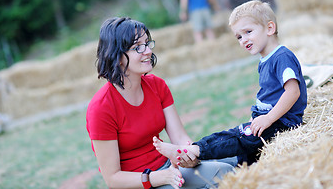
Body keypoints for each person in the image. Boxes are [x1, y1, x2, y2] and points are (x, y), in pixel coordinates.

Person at [86, 17, 235, 189]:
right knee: (223, 175)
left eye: (147, 43)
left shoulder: (156, 85)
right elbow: (113, 178)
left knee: (234, 164)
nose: (148, 51)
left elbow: (179, 137)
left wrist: (188, 154)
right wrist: (159, 177)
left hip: (170, 168)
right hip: (141, 183)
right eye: (137, 48)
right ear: (117, 56)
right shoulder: (101, 108)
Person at [153, 0, 307, 166]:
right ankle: (196, 151)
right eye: (239, 37)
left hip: (281, 123)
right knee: (242, 147)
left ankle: (195, 152)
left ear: (270, 28)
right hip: (269, 119)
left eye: (248, 31)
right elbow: (269, 94)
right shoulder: (265, 60)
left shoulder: (281, 57)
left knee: (238, 138)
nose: (243, 40)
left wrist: (268, 119)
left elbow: (293, 92)